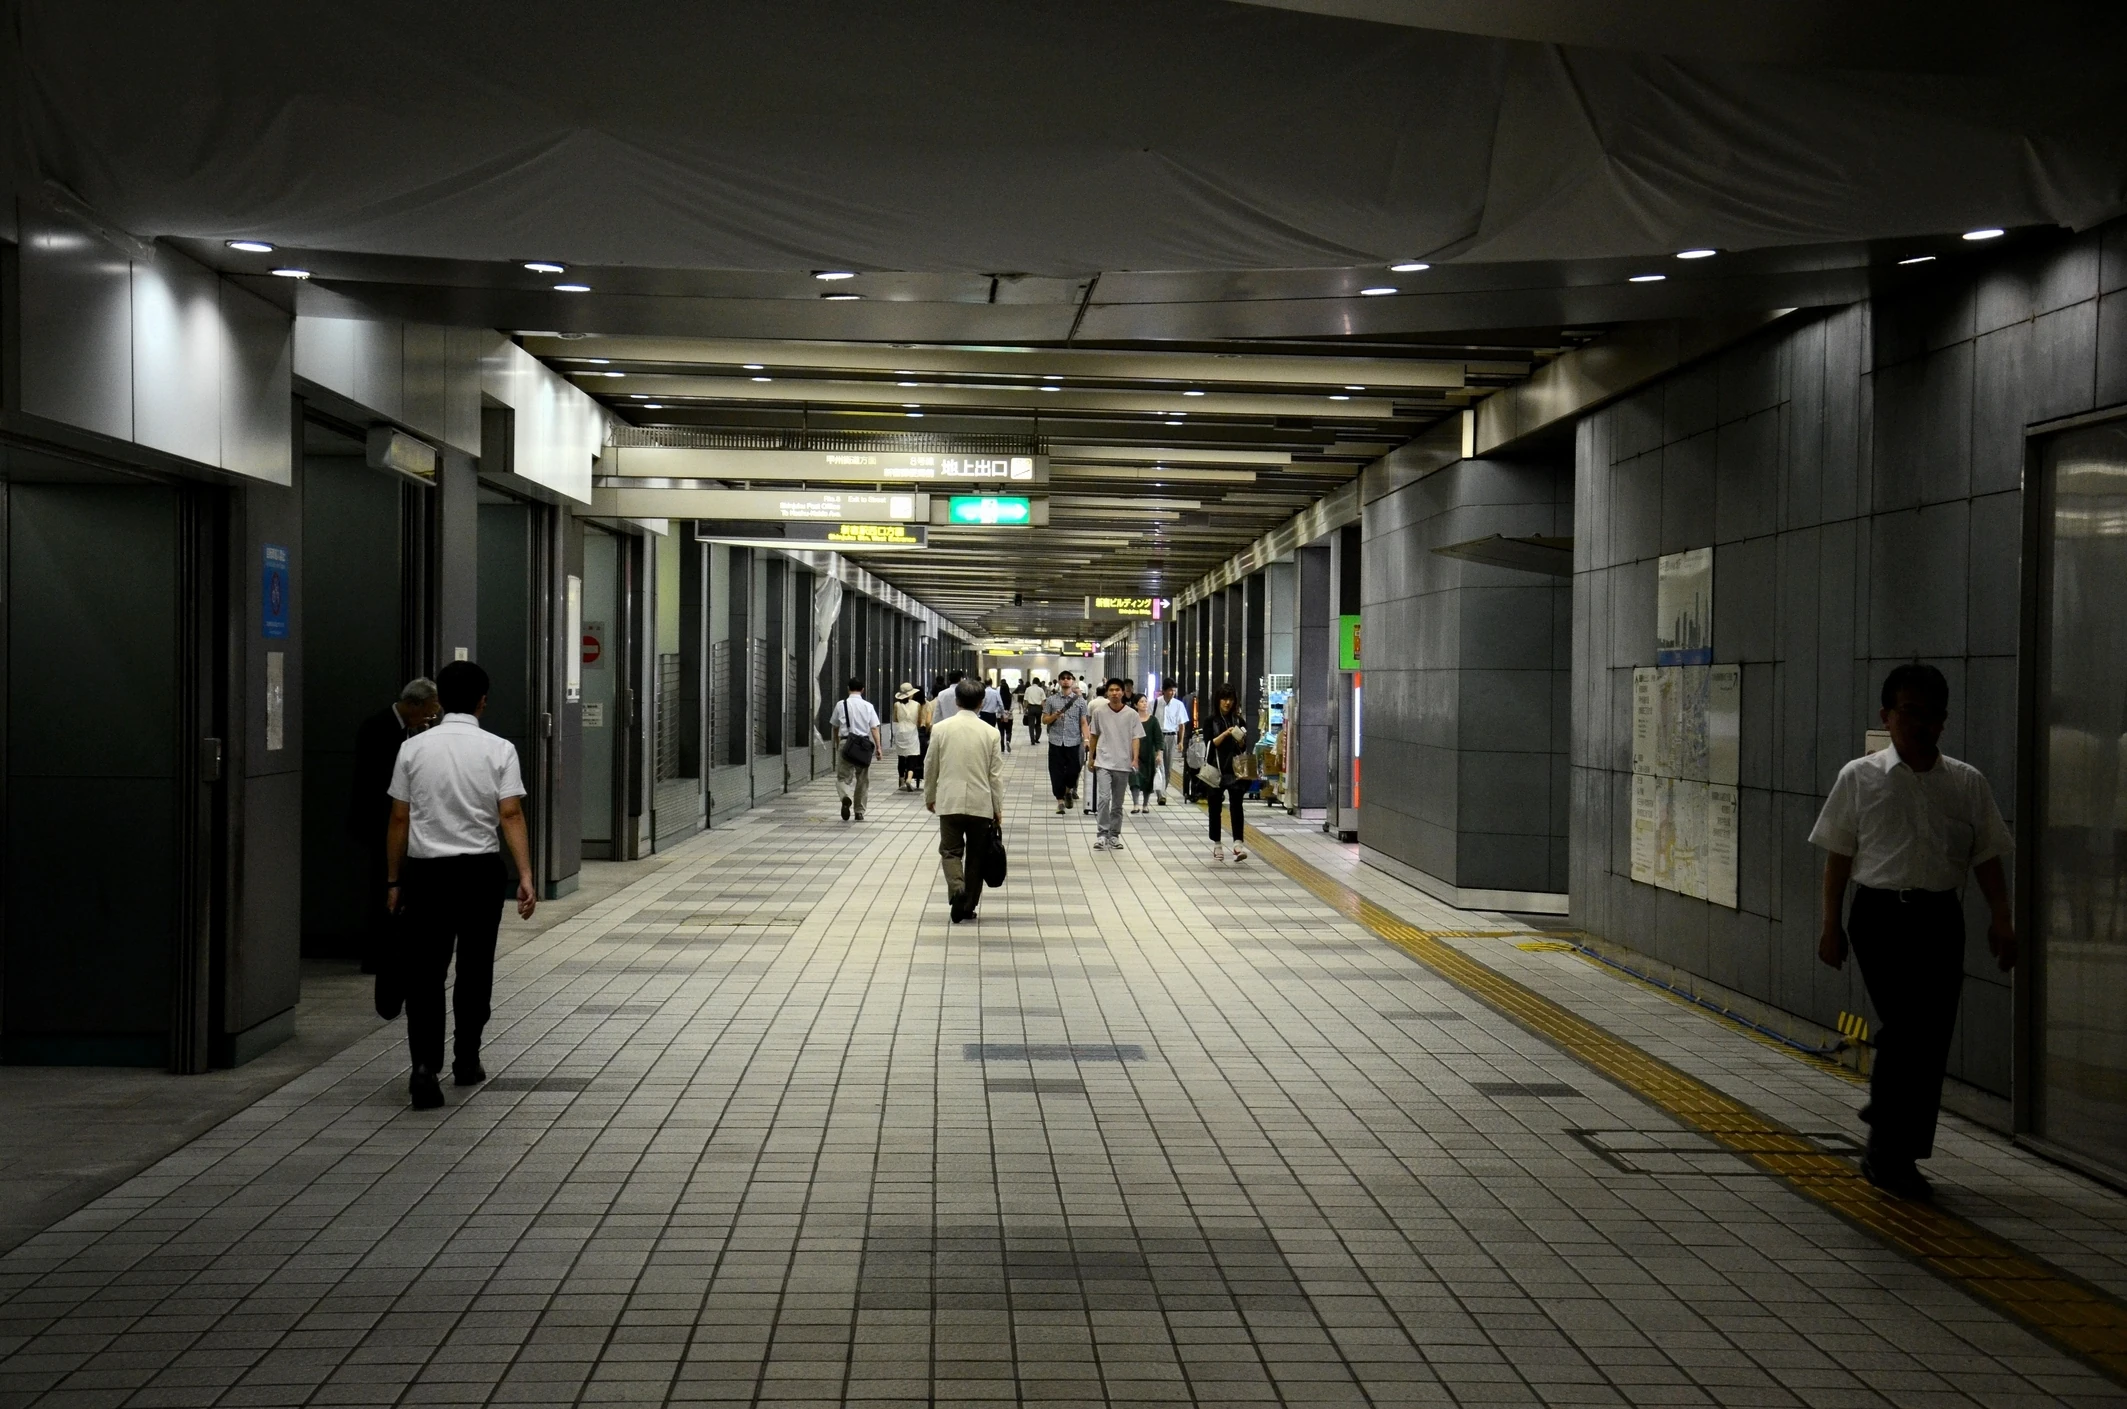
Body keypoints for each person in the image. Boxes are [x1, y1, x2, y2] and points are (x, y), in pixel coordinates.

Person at [1810, 662, 2016, 1200]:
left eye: (1931, 715)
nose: (1920, 724)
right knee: (1906, 1028)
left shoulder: (1966, 783)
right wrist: (1831, 926)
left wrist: (2002, 916)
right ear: (1887, 716)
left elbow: (1987, 857)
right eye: (1909, 713)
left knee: (1931, 1037)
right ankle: (1886, 1146)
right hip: (1879, 916)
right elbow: (1839, 857)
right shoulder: (1859, 776)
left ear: (1944, 722)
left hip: (1939, 919)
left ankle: (1897, 1148)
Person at [384, 661, 536, 1110]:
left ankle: (424, 1068)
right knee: (474, 968)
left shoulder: (413, 749)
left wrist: (394, 880)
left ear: (440, 701)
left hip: (427, 873)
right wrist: (525, 874)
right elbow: (510, 814)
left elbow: (398, 818)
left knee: (425, 974)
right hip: (479, 873)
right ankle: (466, 1059)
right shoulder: (499, 749)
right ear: (483, 700)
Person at [348, 677, 440, 972]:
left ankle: (393, 949)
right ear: (412, 704)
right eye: (427, 711)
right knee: (383, 886)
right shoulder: (379, 727)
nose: (429, 717)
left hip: (398, 822)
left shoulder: (409, 730)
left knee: (394, 884)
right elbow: (382, 781)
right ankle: (377, 955)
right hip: (379, 820)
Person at [924, 677, 1006, 923]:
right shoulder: (991, 733)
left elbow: (931, 766)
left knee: (950, 851)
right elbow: (995, 775)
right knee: (976, 857)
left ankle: (957, 888)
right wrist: (997, 807)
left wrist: (930, 796)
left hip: (949, 802)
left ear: (957, 701)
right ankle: (968, 906)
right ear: (981, 703)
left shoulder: (941, 729)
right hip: (980, 804)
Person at [1203, 682, 1256, 862]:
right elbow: (1210, 744)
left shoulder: (1239, 720)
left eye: (1230, 699)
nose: (1227, 703)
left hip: (1235, 770)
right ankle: (1217, 844)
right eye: (1224, 699)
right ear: (1218, 700)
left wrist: (1240, 739)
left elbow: (1243, 746)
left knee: (1236, 806)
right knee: (1215, 808)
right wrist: (1226, 734)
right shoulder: (1210, 721)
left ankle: (1238, 844)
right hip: (1215, 769)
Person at [1087, 678, 1141, 851]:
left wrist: (1134, 759)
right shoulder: (1099, 712)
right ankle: (1102, 833)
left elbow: (1136, 738)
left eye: (1118, 690)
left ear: (1123, 692)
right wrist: (1091, 758)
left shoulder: (1131, 714)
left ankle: (1114, 835)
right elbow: (1094, 735)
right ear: (1107, 692)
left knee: (1117, 803)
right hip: (1103, 762)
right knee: (1104, 798)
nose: (1115, 693)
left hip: (1123, 763)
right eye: (1111, 690)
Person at [828, 676, 882, 821]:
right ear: (862, 690)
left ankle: (845, 797)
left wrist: (837, 742)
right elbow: (874, 728)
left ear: (848, 688)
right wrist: (878, 747)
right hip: (863, 745)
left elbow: (835, 726)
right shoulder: (868, 706)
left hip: (846, 743)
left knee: (843, 777)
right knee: (863, 779)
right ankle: (859, 811)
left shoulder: (841, 705)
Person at [1043, 671, 1088, 814]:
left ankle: (1068, 790)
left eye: (1069, 678)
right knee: (1056, 771)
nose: (1066, 681)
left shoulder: (1080, 701)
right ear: (1059, 681)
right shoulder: (1051, 700)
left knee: (1074, 770)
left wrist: (1086, 739)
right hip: (1055, 741)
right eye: (1063, 678)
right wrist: (1054, 715)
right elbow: (1044, 720)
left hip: (1073, 741)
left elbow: (1083, 722)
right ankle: (1060, 801)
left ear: (1073, 681)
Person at [1129, 689, 1164, 814]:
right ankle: (1135, 804)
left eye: (1145, 701)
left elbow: (1159, 738)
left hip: (1149, 755)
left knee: (1148, 780)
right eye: (1141, 702)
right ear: (1135, 705)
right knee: (1134, 779)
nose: (1144, 704)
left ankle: (1145, 804)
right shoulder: (1132, 719)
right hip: (1134, 754)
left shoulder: (1153, 720)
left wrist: (1159, 754)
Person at [1156, 683, 1189, 806]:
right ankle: (1162, 795)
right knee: (1160, 765)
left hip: (1172, 736)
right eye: (1170, 690)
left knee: (1168, 767)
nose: (1172, 693)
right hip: (1159, 736)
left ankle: (1162, 790)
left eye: (1174, 690)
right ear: (1163, 690)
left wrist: (1181, 742)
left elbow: (1182, 725)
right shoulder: (1155, 703)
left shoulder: (1178, 705)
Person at [892, 682, 925, 791]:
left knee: (901, 756)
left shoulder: (897, 705)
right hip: (912, 731)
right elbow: (920, 721)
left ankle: (901, 780)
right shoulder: (917, 705)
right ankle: (909, 779)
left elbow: (895, 719)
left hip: (900, 731)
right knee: (913, 755)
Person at [1023, 676, 1048, 744]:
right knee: (1038, 723)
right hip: (1038, 708)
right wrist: (1043, 708)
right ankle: (1037, 738)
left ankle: (1032, 740)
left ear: (1032, 682)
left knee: (1031, 725)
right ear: (1038, 682)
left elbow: (1025, 700)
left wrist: (1025, 708)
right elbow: (1043, 700)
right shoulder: (1041, 689)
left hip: (1030, 708)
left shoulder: (1028, 689)